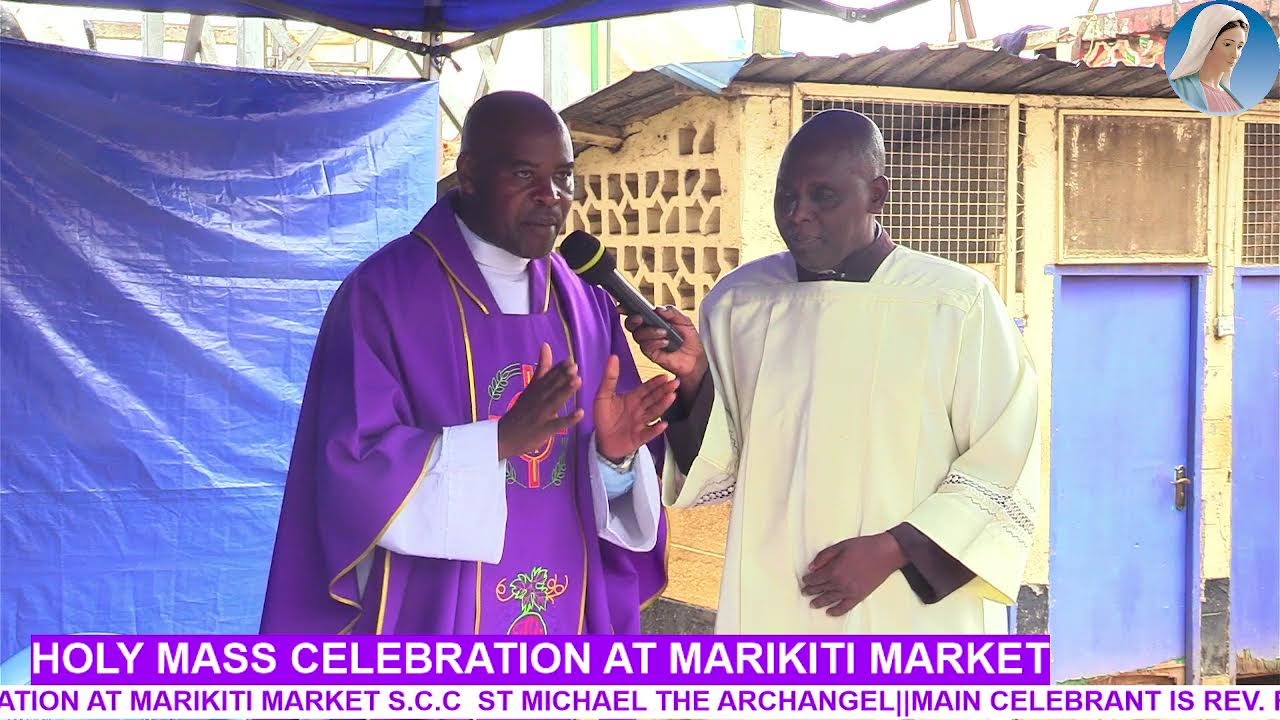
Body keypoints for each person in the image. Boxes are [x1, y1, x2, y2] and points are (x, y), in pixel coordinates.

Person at [261, 91, 673, 636]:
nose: (551, 196)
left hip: (568, 602)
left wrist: (615, 463)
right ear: (471, 174)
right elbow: (352, 464)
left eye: (564, 176)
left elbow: (614, 474)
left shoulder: (587, 301)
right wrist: (496, 443)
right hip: (435, 608)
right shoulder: (385, 295)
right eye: (525, 174)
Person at [626, 109, 1040, 634]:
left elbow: (1004, 456)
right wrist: (694, 380)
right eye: (786, 197)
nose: (798, 214)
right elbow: (723, 464)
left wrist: (895, 549)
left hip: (907, 599)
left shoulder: (955, 303)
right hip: (776, 584)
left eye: (824, 196)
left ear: (877, 195)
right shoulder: (739, 303)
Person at [1168, 4, 1249, 114]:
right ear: (1207, 43)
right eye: (1227, 44)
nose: (1235, 54)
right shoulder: (1180, 89)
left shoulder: (1233, 101)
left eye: (1239, 46)